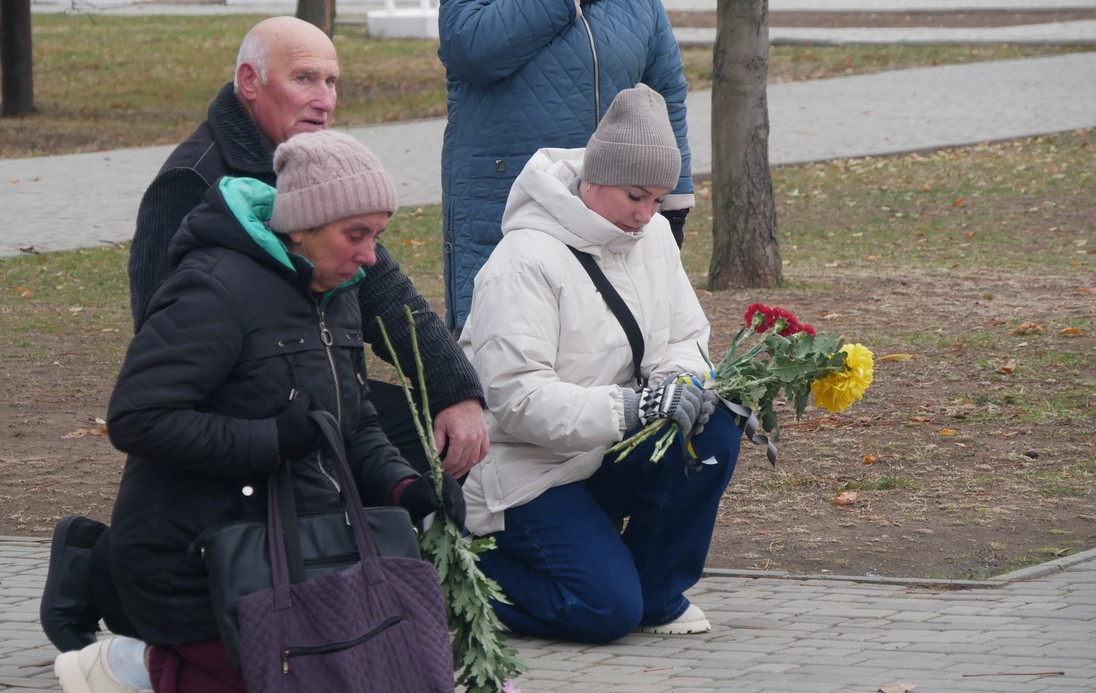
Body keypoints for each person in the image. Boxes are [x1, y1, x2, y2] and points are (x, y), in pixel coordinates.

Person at [41, 16, 487, 654]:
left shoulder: (323, 170)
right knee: (237, 551)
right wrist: (272, 419)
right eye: (305, 77)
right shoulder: (191, 181)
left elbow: (388, 295)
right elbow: (164, 335)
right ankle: (102, 568)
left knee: (403, 440)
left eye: (332, 80)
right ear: (250, 82)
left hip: (301, 390)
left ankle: (335, 598)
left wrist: (454, 392)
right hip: (237, 404)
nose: (325, 97)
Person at [54, 130, 468, 693]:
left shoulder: (335, 294)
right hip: (195, 557)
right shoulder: (215, 290)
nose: (371, 257)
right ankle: (126, 663)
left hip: (287, 551)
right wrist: (269, 440)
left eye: (377, 235)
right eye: (356, 235)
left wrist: (405, 486)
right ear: (302, 227)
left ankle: (159, 655)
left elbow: (352, 423)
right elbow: (137, 418)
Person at [459, 85, 741, 644]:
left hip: (599, 450)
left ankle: (656, 595)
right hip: (526, 474)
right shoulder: (522, 262)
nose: (646, 214)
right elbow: (517, 402)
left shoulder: (654, 235)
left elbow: (685, 336)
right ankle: (457, 575)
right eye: (636, 195)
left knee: (716, 426)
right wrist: (636, 407)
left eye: (659, 199)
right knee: (603, 611)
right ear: (593, 179)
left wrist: (679, 383)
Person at [438, 0, 695, 332]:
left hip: (610, 200)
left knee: (609, 334)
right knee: (506, 335)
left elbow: (665, 93)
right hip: (504, 193)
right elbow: (469, 48)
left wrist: (673, 200)